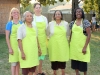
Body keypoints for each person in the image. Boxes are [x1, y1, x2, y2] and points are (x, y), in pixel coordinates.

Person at [47, 10, 69, 75]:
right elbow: (47, 33)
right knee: (54, 59)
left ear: (61, 15)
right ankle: (54, 73)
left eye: (59, 14)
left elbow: (68, 34)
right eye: (56, 14)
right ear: (54, 16)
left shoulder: (65, 23)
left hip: (62, 44)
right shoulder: (50, 24)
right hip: (53, 45)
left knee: (62, 59)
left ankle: (63, 73)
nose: (57, 15)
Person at [69, 8, 91, 75]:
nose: (78, 13)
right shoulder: (72, 23)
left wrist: (85, 47)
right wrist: (69, 43)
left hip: (82, 47)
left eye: (80, 12)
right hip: (74, 47)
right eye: (77, 12)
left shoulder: (85, 22)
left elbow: (89, 35)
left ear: (82, 13)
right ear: (75, 13)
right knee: (75, 64)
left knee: (83, 65)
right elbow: (71, 34)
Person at [32, 3, 48, 75]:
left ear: (41, 9)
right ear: (34, 9)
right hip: (34, 40)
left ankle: (40, 71)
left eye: (39, 8)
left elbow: (46, 29)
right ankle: (35, 72)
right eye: (36, 8)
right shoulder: (31, 17)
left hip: (43, 39)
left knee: (41, 56)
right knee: (35, 57)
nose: (38, 9)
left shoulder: (44, 18)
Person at [5, 7, 22, 75]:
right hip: (13, 45)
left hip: (20, 45)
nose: (16, 13)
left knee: (18, 61)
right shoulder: (9, 24)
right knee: (14, 63)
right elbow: (7, 37)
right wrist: (10, 48)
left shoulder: (21, 23)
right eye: (14, 12)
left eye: (17, 12)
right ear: (11, 14)